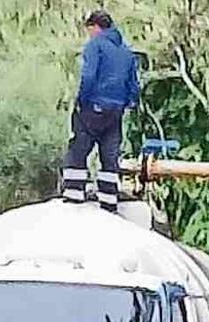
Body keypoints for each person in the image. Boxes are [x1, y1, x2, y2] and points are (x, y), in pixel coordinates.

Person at [61, 10, 139, 213]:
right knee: (109, 153)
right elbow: (133, 85)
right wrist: (127, 103)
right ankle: (109, 200)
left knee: (79, 147)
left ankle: (73, 194)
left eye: (89, 30)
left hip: (94, 106)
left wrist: (81, 100)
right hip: (116, 111)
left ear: (94, 26)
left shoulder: (95, 45)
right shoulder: (126, 51)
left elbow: (89, 76)